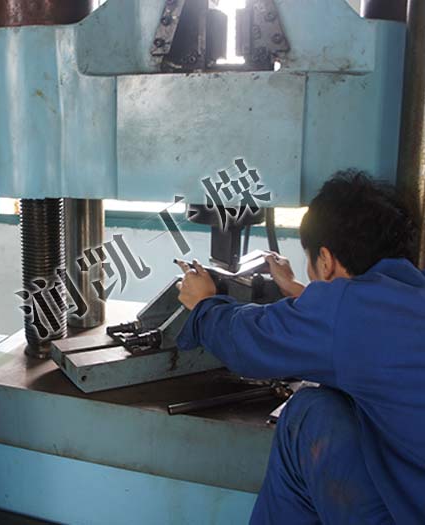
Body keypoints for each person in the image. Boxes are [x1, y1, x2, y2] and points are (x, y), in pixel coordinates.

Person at [176, 172, 425, 525]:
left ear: (326, 260)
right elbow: (359, 328)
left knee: (307, 414)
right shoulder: (408, 296)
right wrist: (296, 289)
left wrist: (204, 306)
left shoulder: (348, 312)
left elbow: (249, 342)